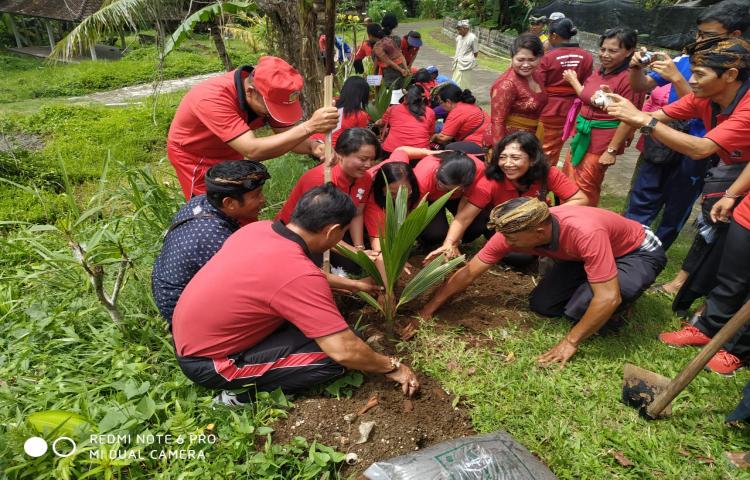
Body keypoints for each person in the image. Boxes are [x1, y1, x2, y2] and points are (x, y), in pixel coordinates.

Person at [172, 185, 420, 406]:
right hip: (212, 363)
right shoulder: (298, 276)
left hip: (193, 336)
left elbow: (293, 276)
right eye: (343, 232)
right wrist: (392, 366)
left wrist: (354, 286)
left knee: (338, 337)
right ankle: (239, 394)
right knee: (337, 360)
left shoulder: (260, 230)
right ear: (333, 231)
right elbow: (344, 350)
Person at [605, 36, 750, 374]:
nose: (691, 80)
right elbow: (655, 116)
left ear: (730, 75)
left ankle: (737, 348)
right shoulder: (705, 99)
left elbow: (700, 149)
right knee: (731, 268)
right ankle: (704, 330)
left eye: (699, 73)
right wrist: (732, 194)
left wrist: (644, 121)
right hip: (743, 191)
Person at [417, 198, 667, 367]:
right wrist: (430, 308)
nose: (507, 244)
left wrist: (570, 342)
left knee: (587, 307)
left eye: (513, 240)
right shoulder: (514, 231)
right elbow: (469, 273)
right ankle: (595, 279)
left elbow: (607, 297)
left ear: (538, 233)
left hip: (636, 251)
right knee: (543, 305)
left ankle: (625, 299)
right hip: (582, 255)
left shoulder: (584, 233)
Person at [167, 56, 339, 199]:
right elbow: (253, 150)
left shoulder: (268, 90)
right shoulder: (211, 98)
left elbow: (286, 133)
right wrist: (310, 126)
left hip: (231, 148)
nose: (273, 114)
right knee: (214, 207)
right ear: (250, 92)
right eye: (272, 108)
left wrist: (314, 146)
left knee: (242, 202)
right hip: (196, 156)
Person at [424, 131, 588, 262]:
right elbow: (464, 217)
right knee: (517, 256)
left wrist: (543, 215)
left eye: (515, 157)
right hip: (504, 227)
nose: (507, 164)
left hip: (538, 226)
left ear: (532, 160)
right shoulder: (491, 180)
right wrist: (449, 243)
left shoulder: (549, 174)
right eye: (503, 157)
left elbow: (581, 200)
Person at [152, 160, 268, 326]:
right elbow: (251, 284)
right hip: (184, 315)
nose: (263, 200)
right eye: (256, 195)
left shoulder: (200, 202)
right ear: (229, 203)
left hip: (168, 291)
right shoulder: (216, 239)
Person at [561, 27, 643, 207]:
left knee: (586, 186)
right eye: (603, 49)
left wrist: (611, 150)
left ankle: (581, 225)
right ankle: (564, 218)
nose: (605, 54)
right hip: (582, 136)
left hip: (601, 143)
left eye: (613, 51)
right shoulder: (599, 72)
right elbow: (587, 98)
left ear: (629, 51)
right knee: (568, 179)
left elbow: (629, 118)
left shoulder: (629, 79)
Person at [277, 128, 379, 264]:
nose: (368, 165)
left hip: (334, 232)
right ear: (341, 154)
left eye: (372, 159)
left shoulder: (365, 178)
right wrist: (355, 254)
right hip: (306, 233)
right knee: (313, 266)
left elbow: (357, 213)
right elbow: (316, 228)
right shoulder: (321, 178)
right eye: (363, 159)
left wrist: (359, 248)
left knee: (353, 266)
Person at [387, 146, 485, 249]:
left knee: (477, 227)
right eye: (439, 183)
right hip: (430, 198)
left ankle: (458, 243)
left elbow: (464, 212)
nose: (440, 187)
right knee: (435, 234)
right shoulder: (422, 177)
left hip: (458, 198)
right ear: (438, 169)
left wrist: (454, 241)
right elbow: (411, 213)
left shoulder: (478, 170)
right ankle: (428, 243)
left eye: (448, 188)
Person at [539, 18, 593, 165]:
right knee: (555, 146)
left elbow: (539, 85)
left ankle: (539, 181)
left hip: (549, 108)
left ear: (554, 36)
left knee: (541, 146)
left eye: (549, 35)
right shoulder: (587, 56)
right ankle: (545, 180)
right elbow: (587, 83)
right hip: (572, 110)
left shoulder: (548, 57)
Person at [485, 34, 547, 149]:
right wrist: (501, 151)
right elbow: (497, 121)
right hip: (509, 142)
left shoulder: (537, 75)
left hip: (529, 139)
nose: (526, 65)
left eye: (531, 60)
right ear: (512, 58)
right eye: (520, 60)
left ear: (540, 58)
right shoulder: (506, 84)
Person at [365, 161, 422, 281]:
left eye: (405, 192)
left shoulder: (415, 192)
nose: (400, 197)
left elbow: (402, 151)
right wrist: (395, 262)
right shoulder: (374, 204)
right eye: (392, 193)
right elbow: (378, 242)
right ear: (382, 189)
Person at [310, 76, 371, 149]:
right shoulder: (360, 115)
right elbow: (360, 138)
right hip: (331, 149)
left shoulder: (332, 102)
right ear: (363, 94)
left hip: (313, 143)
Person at [377, 85, 436, 156]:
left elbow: (382, 122)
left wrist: (376, 123)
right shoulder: (430, 112)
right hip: (420, 153)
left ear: (405, 97)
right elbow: (430, 133)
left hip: (392, 151)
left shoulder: (393, 109)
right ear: (422, 98)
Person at [372, 20, 409, 88]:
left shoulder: (376, 46)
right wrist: (405, 68)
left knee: (387, 90)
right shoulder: (394, 40)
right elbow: (400, 55)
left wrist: (372, 78)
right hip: (398, 70)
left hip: (388, 73)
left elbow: (385, 62)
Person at [452, 19, 479, 90]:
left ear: (466, 28)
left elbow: (476, 52)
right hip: (457, 63)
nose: (459, 31)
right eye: (458, 29)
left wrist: (469, 59)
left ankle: (463, 97)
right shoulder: (458, 38)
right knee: (455, 82)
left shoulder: (473, 38)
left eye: (460, 29)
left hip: (466, 64)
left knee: (464, 83)